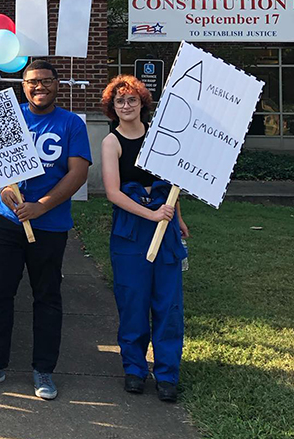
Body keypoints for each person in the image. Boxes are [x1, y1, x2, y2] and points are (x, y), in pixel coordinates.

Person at [0, 60, 92, 400]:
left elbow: (78, 173)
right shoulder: (7, 116)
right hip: (6, 220)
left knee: (46, 296)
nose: (40, 87)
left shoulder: (70, 124)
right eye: (34, 81)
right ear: (24, 85)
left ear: (57, 84)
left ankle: (43, 371)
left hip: (49, 225)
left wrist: (42, 206)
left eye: (47, 81)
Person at [99, 74, 189, 403]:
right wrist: (149, 214)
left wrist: (176, 218)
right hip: (131, 229)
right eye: (119, 101)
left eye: (132, 100)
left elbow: (171, 183)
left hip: (164, 228)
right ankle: (134, 369)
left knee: (168, 303)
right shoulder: (112, 142)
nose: (126, 105)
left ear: (142, 104)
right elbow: (112, 192)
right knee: (133, 301)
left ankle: (167, 373)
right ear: (112, 107)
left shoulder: (158, 137)